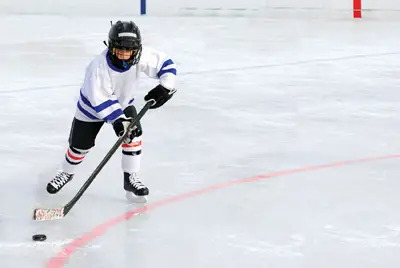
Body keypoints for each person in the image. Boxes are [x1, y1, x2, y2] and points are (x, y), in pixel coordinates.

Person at [46, 20, 177, 202]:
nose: (124, 55)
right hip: (91, 110)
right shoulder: (98, 67)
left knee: (134, 137)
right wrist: (119, 121)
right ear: (111, 47)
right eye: (119, 50)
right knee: (79, 146)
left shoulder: (142, 56)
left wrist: (166, 85)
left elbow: (166, 64)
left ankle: (130, 178)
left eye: (128, 51)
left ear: (137, 48)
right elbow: (101, 99)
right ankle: (67, 173)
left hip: (123, 104)